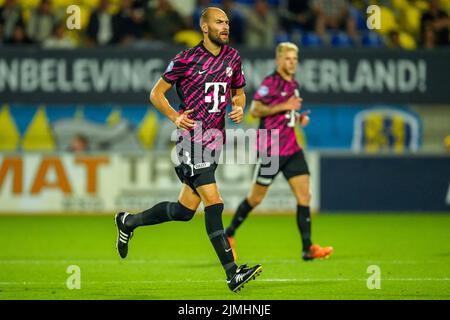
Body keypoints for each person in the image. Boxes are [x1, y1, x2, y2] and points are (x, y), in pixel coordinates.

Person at [114, 7, 262, 293]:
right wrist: (174, 116)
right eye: (219, 22)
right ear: (204, 27)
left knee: (184, 211)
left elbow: (239, 92)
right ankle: (232, 274)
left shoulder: (233, 58)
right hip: (190, 142)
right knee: (214, 202)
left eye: (227, 22)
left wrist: (239, 106)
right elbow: (156, 93)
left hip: (215, 143)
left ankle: (127, 221)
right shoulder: (186, 59)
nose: (225, 27)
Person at [225, 42, 333, 261]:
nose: (292, 62)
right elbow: (255, 110)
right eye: (288, 58)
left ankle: (307, 248)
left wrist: (298, 118)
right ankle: (229, 235)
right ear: (278, 60)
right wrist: (285, 107)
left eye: (295, 59)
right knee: (255, 199)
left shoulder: (293, 83)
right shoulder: (270, 83)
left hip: (292, 148)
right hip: (271, 149)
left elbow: (287, 113)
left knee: (304, 196)